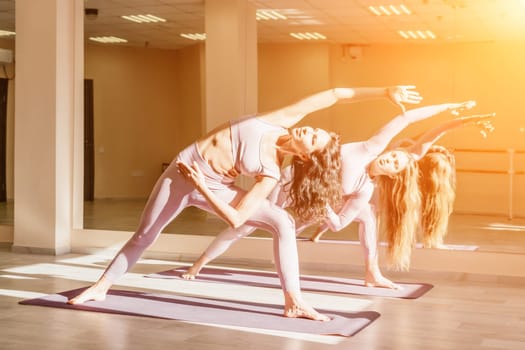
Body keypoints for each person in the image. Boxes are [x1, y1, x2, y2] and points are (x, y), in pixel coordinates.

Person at [67, 86, 423, 321]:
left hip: (209, 186)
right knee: (144, 236)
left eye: (313, 138)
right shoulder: (276, 120)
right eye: (312, 128)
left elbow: (237, 219)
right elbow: (333, 94)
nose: (307, 130)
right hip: (182, 172)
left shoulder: (270, 172)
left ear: (305, 156)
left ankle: (294, 301)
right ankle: (100, 288)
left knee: (281, 222)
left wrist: (202, 187)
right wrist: (384, 91)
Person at [181, 103, 494, 289]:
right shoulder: (368, 148)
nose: (390, 158)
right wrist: (459, 116)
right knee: (243, 226)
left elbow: (339, 223)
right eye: (394, 155)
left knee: (363, 220)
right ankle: (199, 264)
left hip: (310, 203)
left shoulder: (363, 190)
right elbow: (411, 124)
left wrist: (323, 211)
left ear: (394, 175)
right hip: (289, 184)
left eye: (395, 163)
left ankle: (370, 274)